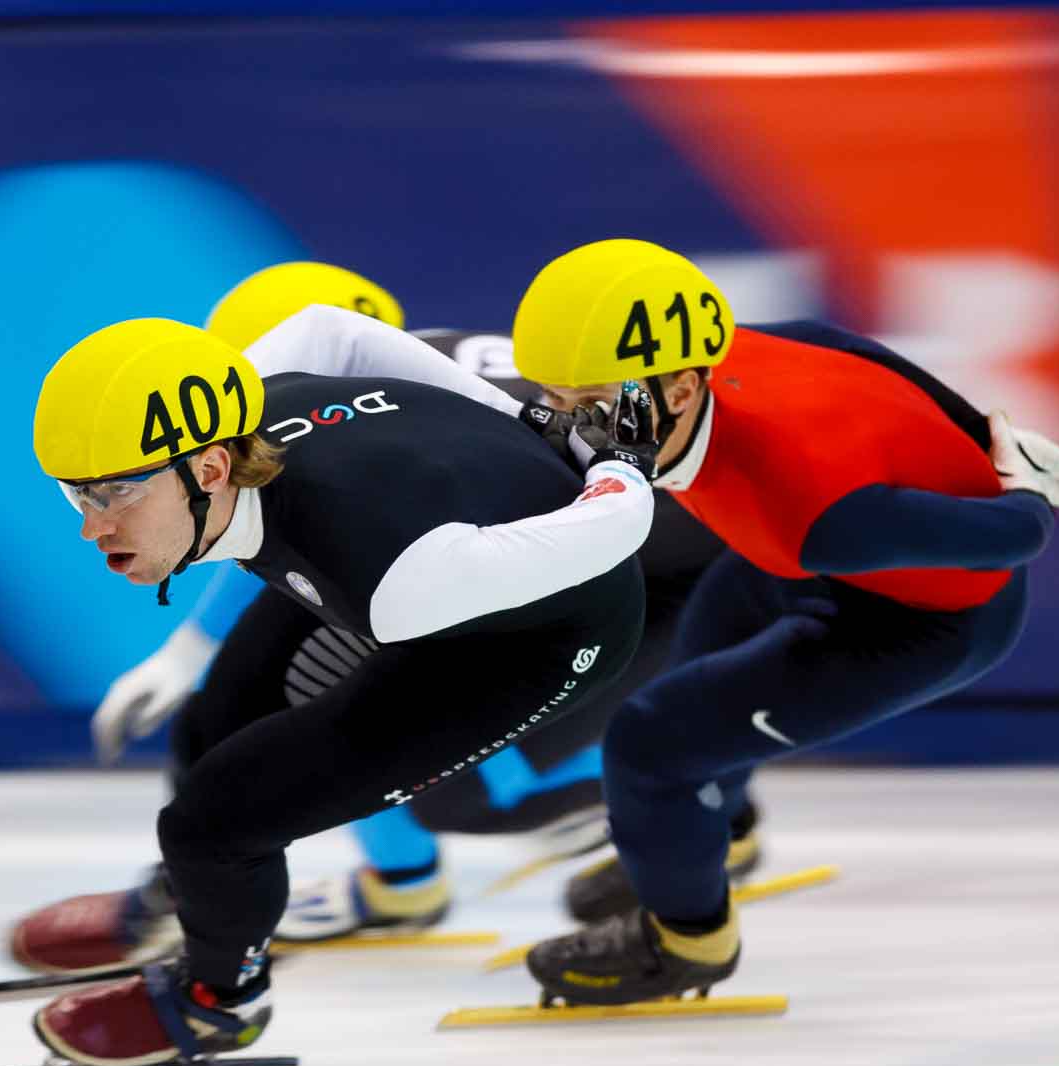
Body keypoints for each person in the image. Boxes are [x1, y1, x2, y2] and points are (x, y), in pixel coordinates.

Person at [20, 315, 654, 1066]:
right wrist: (515, 413)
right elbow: (328, 331)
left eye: (116, 493)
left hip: (539, 633)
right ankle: (200, 902)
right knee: (216, 722)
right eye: (77, 497)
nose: (94, 528)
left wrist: (615, 471)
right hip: (419, 541)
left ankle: (219, 1003)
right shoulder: (246, 403)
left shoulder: (392, 582)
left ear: (213, 471)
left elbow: (618, 529)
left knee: (216, 822)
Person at [507, 239, 1059, 1005]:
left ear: (687, 389)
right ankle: (714, 833)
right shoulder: (728, 353)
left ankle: (688, 944)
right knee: (699, 656)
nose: (575, 429)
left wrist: (1019, 482)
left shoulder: (806, 512)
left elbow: (1017, 537)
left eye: (594, 404)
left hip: (922, 627)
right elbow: (826, 340)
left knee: (650, 745)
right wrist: (977, 426)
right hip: (815, 557)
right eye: (556, 401)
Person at [66, 261, 731, 949]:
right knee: (269, 698)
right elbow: (274, 537)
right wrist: (192, 653)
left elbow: (295, 536)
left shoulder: (360, 431)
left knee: (453, 790)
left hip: (643, 564)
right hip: (503, 546)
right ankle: (392, 883)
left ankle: (691, 797)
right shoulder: (366, 386)